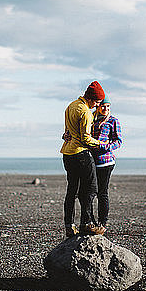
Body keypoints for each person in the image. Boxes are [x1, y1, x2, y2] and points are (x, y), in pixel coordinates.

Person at [60, 81, 108, 237]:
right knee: (91, 189)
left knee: (72, 190)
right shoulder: (86, 112)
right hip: (81, 154)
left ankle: (69, 225)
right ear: (92, 99)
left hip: (67, 153)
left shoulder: (71, 106)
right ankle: (87, 223)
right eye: (98, 102)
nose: (97, 106)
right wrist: (101, 143)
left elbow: (68, 131)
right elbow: (85, 138)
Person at [91, 96, 122, 231]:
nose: (106, 109)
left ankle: (102, 222)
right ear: (98, 106)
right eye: (103, 106)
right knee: (90, 192)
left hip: (106, 161)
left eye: (108, 106)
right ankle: (90, 222)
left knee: (102, 192)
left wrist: (105, 146)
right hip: (91, 161)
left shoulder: (113, 121)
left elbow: (118, 141)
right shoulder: (92, 119)